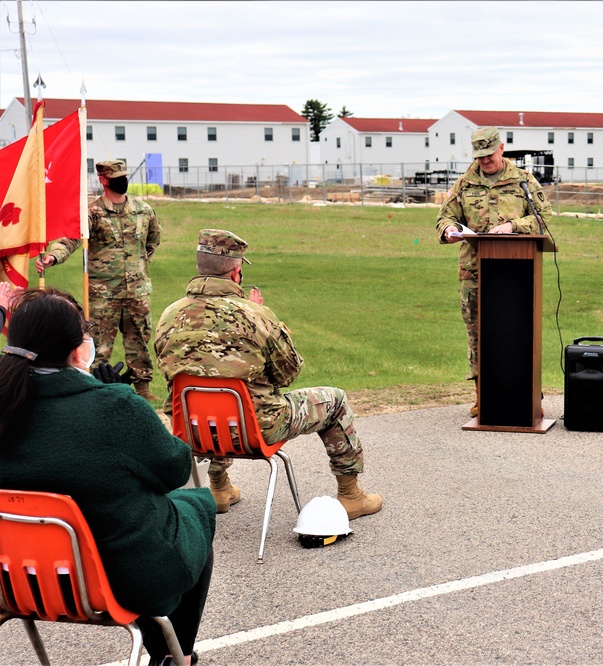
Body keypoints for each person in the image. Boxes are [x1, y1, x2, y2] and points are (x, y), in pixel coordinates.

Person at [0, 289, 215, 666]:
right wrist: (111, 392)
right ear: (77, 349)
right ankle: (172, 657)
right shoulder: (114, 406)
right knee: (197, 505)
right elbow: (175, 468)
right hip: (109, 583)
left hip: (15, 581)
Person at [154, 229, 382, 519]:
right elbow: (288, 373)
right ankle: (351, 495)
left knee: (209, 395)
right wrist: (266, 319)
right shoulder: (255, 315)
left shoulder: (168, 316)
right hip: (256, 429)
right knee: (335, 401)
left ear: (200, 268)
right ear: (236, 273)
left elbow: (172, 374)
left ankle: (219, 488)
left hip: (192, 430)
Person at [434, 126, 553, 416]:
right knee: (477, 333)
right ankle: (482, 394)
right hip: (473, 272)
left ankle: (524, 390)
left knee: (517, 329)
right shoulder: (465, 183)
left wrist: (514, 226)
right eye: (480, 157)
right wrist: (449, 229)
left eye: (489, 155)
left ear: (501, 148)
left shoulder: (523, 180)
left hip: (516, 273)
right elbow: (445, 216)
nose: (484, 162)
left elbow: (543, 218)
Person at [35, 159, 162, 401]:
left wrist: (141, 265)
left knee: (140, 341)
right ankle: (94, 389)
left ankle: (143, 389)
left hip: (137, 291)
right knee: (99, 344)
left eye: (124, 176)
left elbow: (153, 240)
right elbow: (70, 239)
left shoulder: (143, 211)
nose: (123, 181)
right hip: (103, 293)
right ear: (103, 180)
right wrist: (53, 256)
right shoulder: (91, 213)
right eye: (117, 178)